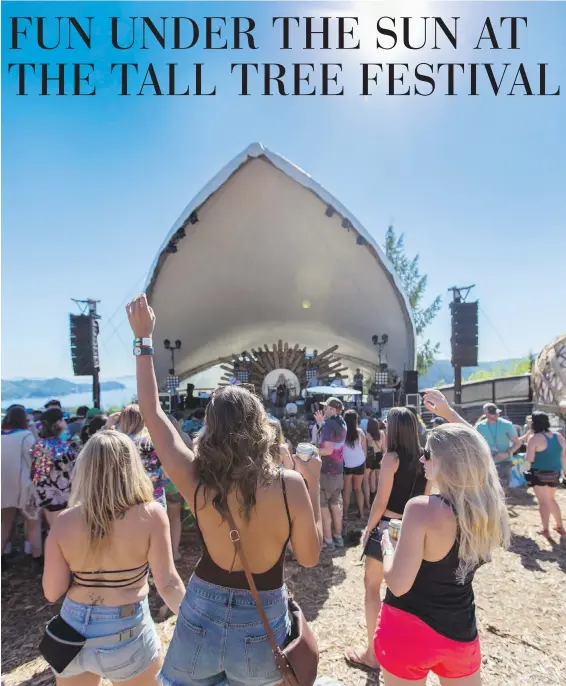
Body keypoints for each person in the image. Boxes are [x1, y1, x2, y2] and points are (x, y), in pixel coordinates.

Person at [126, 294, 322, 685]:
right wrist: (312, 481)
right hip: (262, 622)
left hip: (200, 612)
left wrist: (143, 339)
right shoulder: (290, 485)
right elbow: (311, 557)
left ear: (211, 428)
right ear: (260, 425)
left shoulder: (197, 478)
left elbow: (150, 409)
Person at [374, 388, 510, 685]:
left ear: (446, 463)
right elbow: (478, 453)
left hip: (408, 630)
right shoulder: (488, 511)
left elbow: (398, 583)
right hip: (460, 633)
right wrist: (448, 414)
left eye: (428, 454)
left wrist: (387, 545)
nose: (422, 460)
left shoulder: (422, 509)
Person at [42, 430, 185, 684]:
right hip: (126, 628)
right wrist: (194, 623)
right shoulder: (151, 515)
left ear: (85, 470)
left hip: (72, 631)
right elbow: (168, 584)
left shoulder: (65, 521)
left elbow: (52, 592)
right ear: (131, 467)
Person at [347, 407, 428, 672]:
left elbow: (381, 501)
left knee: (372, 588)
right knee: (406, 592)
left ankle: (373, 654)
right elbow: (425, 497)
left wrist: (368, 530)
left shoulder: (391, 458)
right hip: (416, 529)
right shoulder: (424, 458)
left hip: (388, 529)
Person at [1, 405, 43, 567]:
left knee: (5, 522)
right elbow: (36, 460)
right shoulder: (25, 436)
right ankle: (36, 556)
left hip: (3, 486)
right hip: (24, 486)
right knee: (33, 521)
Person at [30, 408, 79, 527]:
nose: (65, 423)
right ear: (57, 423)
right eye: (63, 420)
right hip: (63, 497)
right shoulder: (63, 447)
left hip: (46, 498)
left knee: (53, 532)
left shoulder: (38, 445)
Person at [114, 405, 167, 507]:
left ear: (123, 421)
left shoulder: (118, 443)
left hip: (128, 495)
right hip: (155, 494)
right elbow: (166, 472)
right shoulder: (153, 442)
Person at [525, 411, 566, 539]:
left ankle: (545, 530)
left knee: (543, 502)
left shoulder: (534, 438)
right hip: (554, 473)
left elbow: (529, 459)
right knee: (551, 500)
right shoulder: (558, 436)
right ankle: (560, 526)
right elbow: (563, 455)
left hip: (539, 474)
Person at [315, 397, 347, 550]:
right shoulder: (342, 422)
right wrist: (322, 424)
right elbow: (334, 443)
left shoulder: (329, 425)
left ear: (333, 410)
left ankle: (328, 541)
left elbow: (327, 450)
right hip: (339, 471)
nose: (324, 410)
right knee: (335, 504)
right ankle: (338, 538)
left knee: (323, 506)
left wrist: (312, 450)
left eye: (326, 408)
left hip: (327, 473)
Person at [476, 403, 522, 490]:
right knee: (488, 488)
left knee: (502, 488)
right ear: (486, 414)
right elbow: (477, 444)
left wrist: (508, 453)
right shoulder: (480, 426)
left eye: (497, 412)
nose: (497, 414)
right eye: (493, 413)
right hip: (487, 462)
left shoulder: (507, 424)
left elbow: (517, 442)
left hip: (504, 461)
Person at [342, 410, 367, 519]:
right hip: (359, 463)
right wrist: (362, 460)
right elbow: (364, 449)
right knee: (358, 488)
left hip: (347, 464)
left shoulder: (342, 432)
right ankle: (361, 513)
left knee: (347, 490)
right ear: (356, 420)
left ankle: (346, 515)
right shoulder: (360, 432)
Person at [365, 418, 386, 506]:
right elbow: (384, 447)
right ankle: (379, 500)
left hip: (371, 457)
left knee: (371, 480)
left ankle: (371, 501)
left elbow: (367, 447)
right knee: (379, 479)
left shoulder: (367, 434)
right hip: (379, 456)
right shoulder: (381, 433)